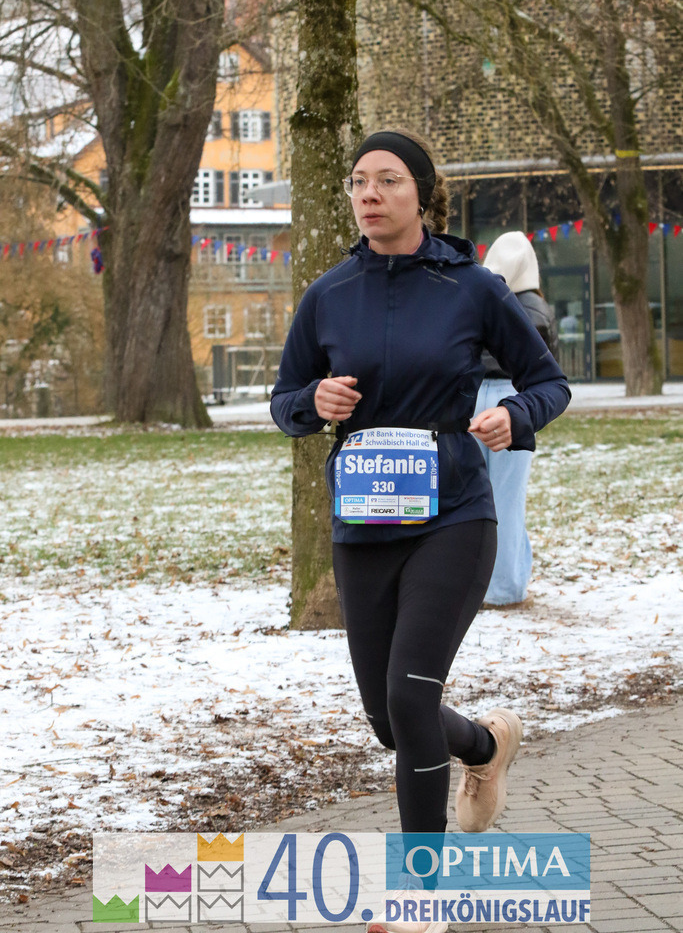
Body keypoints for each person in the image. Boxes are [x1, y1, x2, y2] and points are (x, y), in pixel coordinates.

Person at [270, 130, 570, 933]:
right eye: (358, 182)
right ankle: (481, 746)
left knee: (409, 695)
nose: (368, 194)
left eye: (387, 180)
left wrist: (513, 413)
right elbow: (284, 398)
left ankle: (421, 899)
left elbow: (548, 380)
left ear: (421, 194)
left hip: (454, 516)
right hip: (364, 524)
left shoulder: (471, 287)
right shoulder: (329, 292)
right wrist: (312, 406)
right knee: (386, 720)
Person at [475, 232, 560, 605]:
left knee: (470, 495)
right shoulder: (538, 309)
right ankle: (505, 587)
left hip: (473, 397)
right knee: (508, 498)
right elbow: (547, 366)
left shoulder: (480, 298)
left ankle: (471, 582)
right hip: (515, 398)